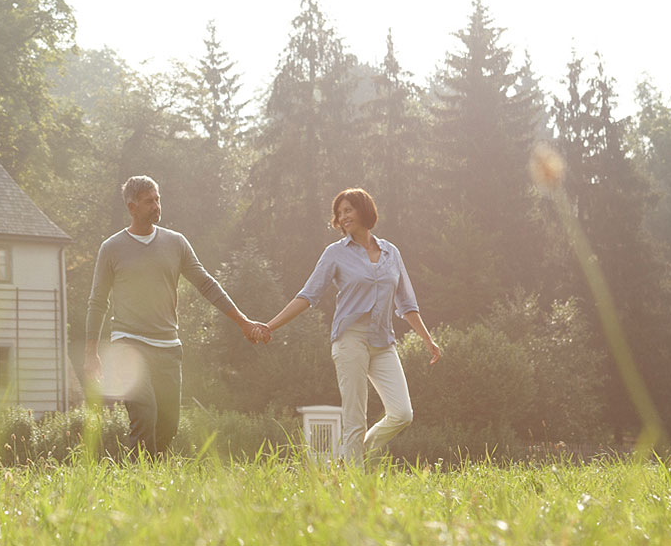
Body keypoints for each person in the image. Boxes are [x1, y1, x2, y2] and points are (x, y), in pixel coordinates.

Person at [84, 175, 269, 457]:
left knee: (168, 425)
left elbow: (206, 284)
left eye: (157, 199)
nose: (156, 206)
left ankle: (152, 476)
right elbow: (97, 302)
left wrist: (243, 322)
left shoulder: (176, 243)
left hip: (168, 347)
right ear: (132, 207)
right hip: (128, 344)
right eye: (149, 201)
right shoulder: (111, 248)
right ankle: (140, 477)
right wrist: (91, 353)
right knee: (144, 414)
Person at [263, 188, 441, 463]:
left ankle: (351, 457)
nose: (343, 217)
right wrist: (270, 326)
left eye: (348, 210)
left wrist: (428, 340)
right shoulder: (335, 253)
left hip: (383, 342)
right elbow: (308, 295)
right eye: (339, 213)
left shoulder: (391, 252)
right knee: (355, 418)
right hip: (350, 339)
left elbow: (407, 303)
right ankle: (352, 479)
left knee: (402, 414)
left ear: (364, 210)